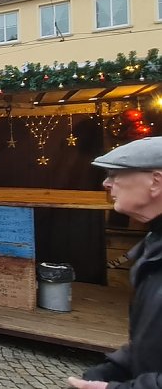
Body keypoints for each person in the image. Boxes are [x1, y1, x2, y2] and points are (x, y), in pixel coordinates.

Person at [69, 136, 162, 389]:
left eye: (116, 174)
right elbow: (151, 339)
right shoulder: (154, 244)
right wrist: (112, 370)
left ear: (155, 181)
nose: (106, 183)